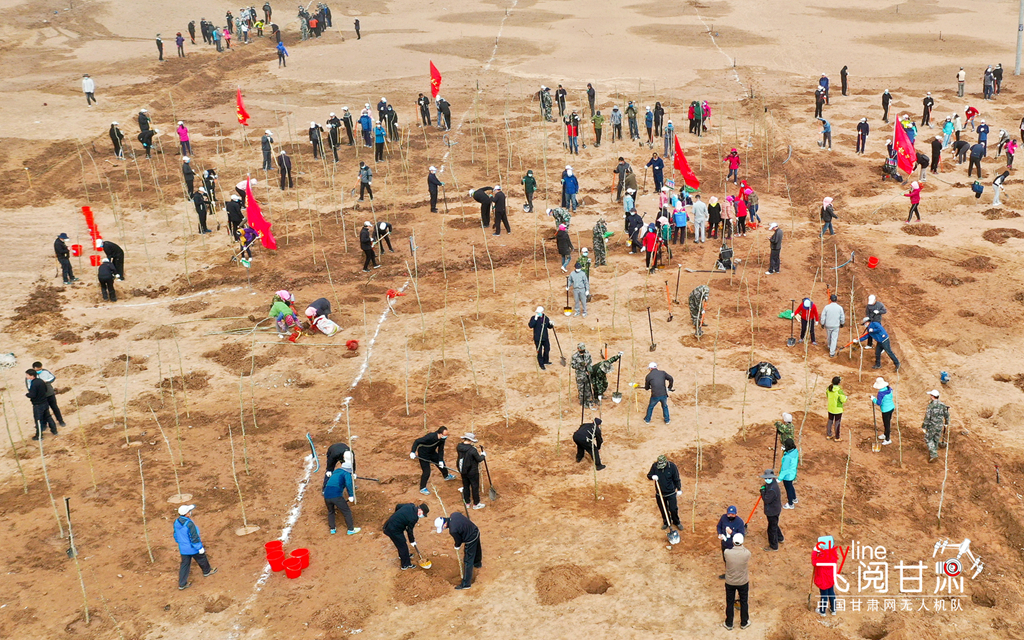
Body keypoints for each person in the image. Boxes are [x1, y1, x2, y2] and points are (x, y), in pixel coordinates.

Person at [173, 505, 217, 590]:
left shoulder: (176, 522)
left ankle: (182, 583)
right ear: (186, 514)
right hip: (192, 548)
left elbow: (175, 534)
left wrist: (181, 543)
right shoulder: (189, 524)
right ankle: (207, 571)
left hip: (183, 549)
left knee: (184, 565)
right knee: (202, 558)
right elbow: (194, 537)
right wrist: (199, 547)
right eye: (189, 511)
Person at [435, 512, 482, 590]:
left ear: (445, 524)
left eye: (443, 527)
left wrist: (457, 546)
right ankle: (477, 563)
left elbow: (458, 540)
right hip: (475, 530)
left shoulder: (453, 530)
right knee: (477, 547)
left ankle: (466, 584)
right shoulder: (454, 514)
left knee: (468, 560)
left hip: (470, 538)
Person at [383, 503, 429, 570]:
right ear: (420, 510)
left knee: (401, 544)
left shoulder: (410, 505)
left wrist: (398, 516)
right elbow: (409, 530)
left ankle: (404, 556)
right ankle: (405, 565)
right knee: (403, 546)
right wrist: (412, 541)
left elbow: (398, 506)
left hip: (389, 524)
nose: (422, 515)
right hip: (393, 530)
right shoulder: (414, 518)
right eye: (423, 514)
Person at [410, 426, 455, 494]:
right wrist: (413, 451)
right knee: (427, 471)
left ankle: (446, 476)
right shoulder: (430, 436)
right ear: (440, 434)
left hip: (432, 452)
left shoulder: (442, 439)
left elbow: (440, 450)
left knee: (442, 465)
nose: (446, 436)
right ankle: (422, 488)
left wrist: (440, 460)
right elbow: (417, 441)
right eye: (445, 435)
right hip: (423, 454)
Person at [322, 460, 360, 535]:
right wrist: (351, 495)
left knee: (331, 511)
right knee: (347, 511)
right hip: (336, 496)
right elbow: (348, 484)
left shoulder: (336, 472)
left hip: (326, 495)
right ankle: (351, 529)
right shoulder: (346, 473)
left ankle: (332, 529)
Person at [723, 533, 751, 630]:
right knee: (744, 602)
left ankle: (729, 623)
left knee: (730, 602)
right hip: (743, 582)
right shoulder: (746, 553)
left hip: (730, 582)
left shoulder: (727, 553)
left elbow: (727, 546)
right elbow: (745, 550)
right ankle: (744, 622)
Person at [647, 455, 682, 530]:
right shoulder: (655, 466)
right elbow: (649, 475)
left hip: (671, 492)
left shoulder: (672, 467)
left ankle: (676, 522)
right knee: (663, 509)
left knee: (673, 509)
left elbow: (676, 478)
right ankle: (667, 522)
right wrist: (652, 476)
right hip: (660, 493)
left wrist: (679, 489)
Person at [456, 433, 486, 509]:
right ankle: (476, 503)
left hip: (463, 470)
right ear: (470, 440)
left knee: (466, 486)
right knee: (475, 487)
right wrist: (483, 455)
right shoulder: (472, 450)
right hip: (472, 471)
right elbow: (479, 459)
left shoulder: (459, 447)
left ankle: (467, 502)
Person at [812, 536, 840, 616]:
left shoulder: (822, 557)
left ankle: (822, 611)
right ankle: (833, 609)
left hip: (823, 578)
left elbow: (814, 562)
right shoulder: (833, 553)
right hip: (831, 577)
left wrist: (814, 552)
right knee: (831, 592)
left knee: (824, 594)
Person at [25, 369, 57, 439]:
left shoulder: (34, 384)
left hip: (38, 405)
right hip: (44, 402)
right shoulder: (41, 381)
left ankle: (39, 435)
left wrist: (27, 394)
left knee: (38, 420)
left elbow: (32, 394)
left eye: (27, 375)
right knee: (48, 417)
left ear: (32, 376)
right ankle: (54, 431)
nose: (26, 376)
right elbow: (45, 390)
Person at [716, 505, 745, 578]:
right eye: (729, 514)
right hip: (725, 544)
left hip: (734, 547)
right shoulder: (723, 517)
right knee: (726, 560)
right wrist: (720, 533)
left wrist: (732, 533)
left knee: (734, 562)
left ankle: (736, 575)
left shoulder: (740, 522)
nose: (730, 515)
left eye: (732, 514)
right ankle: (728, 574)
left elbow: (741, 536)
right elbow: (719, 526)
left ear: (736, 514)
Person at [922, 389, 950, 463]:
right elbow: (947, 415)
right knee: (936, 438)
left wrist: (924, 426)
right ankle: (935, 448)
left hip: (932, 426)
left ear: (932, 396)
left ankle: (933, 454)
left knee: (927, 438)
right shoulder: (943, 405)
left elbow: (927, 417)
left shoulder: (931, 406)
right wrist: (947, 423)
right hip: (940, 425)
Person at [759, 469, 783, 551]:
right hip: (775, 509)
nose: (767, 480)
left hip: (772, 511)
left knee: (771, 529)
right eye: (766, 478)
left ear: (772, 478)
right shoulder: (773, 483)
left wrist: (762, 491)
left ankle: (774, 546)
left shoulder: (773, 489)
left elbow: (766, 500)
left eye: (768, 478)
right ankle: (780, 538)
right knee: (774, 524)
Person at [869, 377, 896, 445]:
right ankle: (885, 434)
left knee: (887, 424)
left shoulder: (881, 393)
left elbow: (879, 403)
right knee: (887, 422)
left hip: (885, 410)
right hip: (891, 407)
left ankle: (887, 439)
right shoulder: (889, 389)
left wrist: (873, 399)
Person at [778, 438, 799, 509]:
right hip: (793, 473)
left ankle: (790, 504)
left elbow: (784, 469)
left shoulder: (787, 457)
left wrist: (779, 478)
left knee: (788, 489)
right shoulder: (795, 451)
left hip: (787, 476)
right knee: (791, 486)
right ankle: (794, 498)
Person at [825, 376, 846, 441]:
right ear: (839, 382)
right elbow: (843, 400)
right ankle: (837, 437)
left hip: (830, 408)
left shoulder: (829, 388)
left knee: (830, 421)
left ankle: (829, 435)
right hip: (838, 409)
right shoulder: (839, 391)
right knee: (837, 422)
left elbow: (827, 395)